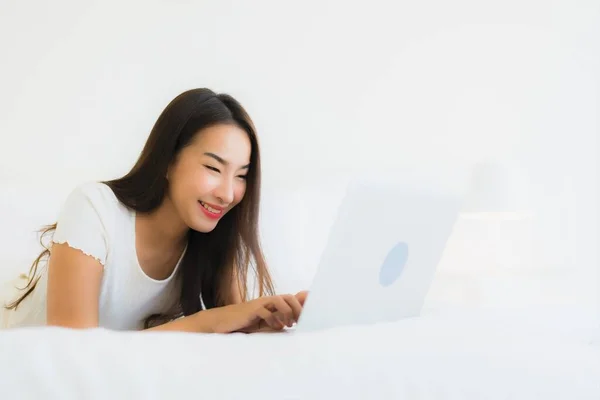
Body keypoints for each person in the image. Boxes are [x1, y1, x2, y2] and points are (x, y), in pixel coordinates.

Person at [0, 88, 307, 332]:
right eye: (214, 167)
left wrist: (275, 320)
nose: (228, 194)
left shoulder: (214, 240)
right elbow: (73, 355)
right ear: (168, 161)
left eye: (241, 175)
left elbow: (235, 325)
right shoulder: (94, 209)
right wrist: (209, 323)